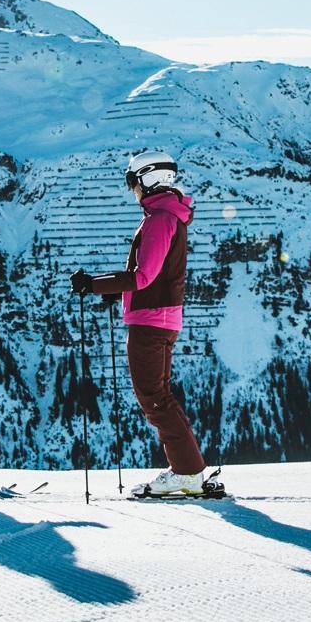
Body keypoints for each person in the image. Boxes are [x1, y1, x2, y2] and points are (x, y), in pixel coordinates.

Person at [69, 150, 214, 498]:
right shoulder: (166, 216)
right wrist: (116, 291)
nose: (132, 189)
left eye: (132, 182)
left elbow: (144, 276)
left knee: (154, 399)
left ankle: (187, 473)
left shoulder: (159, 219)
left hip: (151, 321)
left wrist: (95, 283)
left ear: (147, 180)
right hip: (162, 317)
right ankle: (188, 470)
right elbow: (152, 275)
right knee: (160, 397)